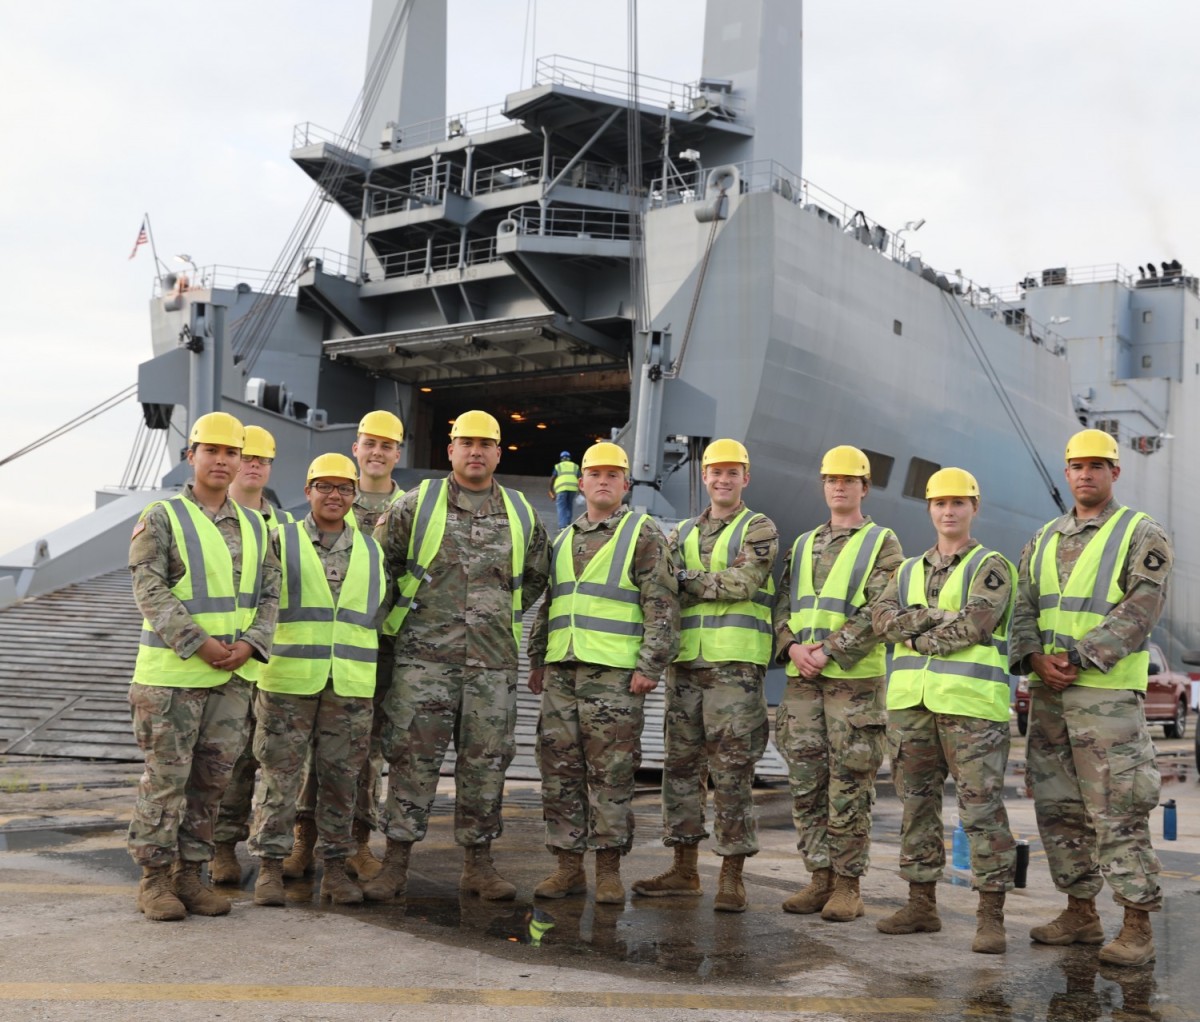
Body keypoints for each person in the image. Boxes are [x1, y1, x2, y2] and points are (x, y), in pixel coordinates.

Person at [365, 409, 549, 904]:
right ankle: (395, 863)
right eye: (465, 443)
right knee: (411, 761)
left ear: (498, 452)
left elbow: (534, 577)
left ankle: (479, 865)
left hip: (491, 666)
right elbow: (380, 566)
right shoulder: (415, 504)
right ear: (450, 450)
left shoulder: (521, 513)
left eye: (485, 444)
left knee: (486, 764)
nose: (475, 451)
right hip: (422, 662)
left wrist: (491, 618)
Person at [1010, 428, 1172, 968]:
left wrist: (1076, 659)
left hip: (1103, 698)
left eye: (1097, 466)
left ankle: (1136, 924)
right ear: (1066, 472)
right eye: (1077, 466)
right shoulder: (1043, 539)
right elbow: (1023, 608)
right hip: (1049, 696)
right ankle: (1080, 912)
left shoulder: (1141, 533)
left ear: (1115, 473)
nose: (1085, 474)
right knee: (1059, 810)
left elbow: (1141, 608)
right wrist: (1033, 658)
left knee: (1118, 810)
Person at [126, 411, 279, 921]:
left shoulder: (259, 526)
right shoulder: (163, 516)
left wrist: (252, 644)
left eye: (231, 452)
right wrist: (200, 643)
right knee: (165, 782)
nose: (222, 460)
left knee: (211, 783)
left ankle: (190, 877)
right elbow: (148, 587)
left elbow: (271, 594)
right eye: (211, 451)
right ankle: (153, 881)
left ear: (241, 460)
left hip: (231, 678)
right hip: (171, 677)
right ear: (191, 456)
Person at [871, 467, 1017, 953]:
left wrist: (918, 631)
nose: (949, 511)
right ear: (930, 509)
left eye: (958, 503)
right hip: (912, 706)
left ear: (974, 507)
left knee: (981, 812)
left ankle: (990, 916)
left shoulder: (992, 566)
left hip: (973, 709)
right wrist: (934, 619)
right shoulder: (907, 569)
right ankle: (920, 904)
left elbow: (975, 624)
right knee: (916, 807)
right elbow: (882, 621)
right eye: (940, 503)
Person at [527, 442, 679, 904]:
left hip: (614, 677)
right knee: (559, 771)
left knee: (611, 774)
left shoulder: (642, 532)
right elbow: (551, 604)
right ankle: (568, 867)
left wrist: (650, 665)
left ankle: (608, 869)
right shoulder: (564, 538)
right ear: (582, 483)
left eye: (614, 475)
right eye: (596, 474)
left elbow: (662, 603)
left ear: (626, 484)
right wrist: (537, 659)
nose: (604, 481)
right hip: (561, 674)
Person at [632, 438, 776, 912]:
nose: (723, 479)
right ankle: (684, 869)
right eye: (716, 472)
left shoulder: (758, 528)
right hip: (686, 668)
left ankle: (732, 875)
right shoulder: (684, 533)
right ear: (704, 477)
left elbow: (742, 583)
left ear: (745, 479)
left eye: (732, 472)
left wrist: (687, 580)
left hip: (734, 671)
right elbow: (662, 586)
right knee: (680, 770)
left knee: (731, 772)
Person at [249, 453, 389, 907]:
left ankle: (334, 869)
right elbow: (260, 602)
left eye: (344, 488)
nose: (335, 495)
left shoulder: (371, 549)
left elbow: (377, 611)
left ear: (354, 495)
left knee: (341, 781)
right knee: (279, 779)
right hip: (288, 681)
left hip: (348, 685)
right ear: (308, 491)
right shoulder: (281, 539)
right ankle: (270, 869)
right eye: (325, 486)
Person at [772, 445, 902, 922]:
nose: (839, 486)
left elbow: (879, 608)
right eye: (832, 479)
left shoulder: (882, 543)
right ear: (823, 486)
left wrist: (827, 650)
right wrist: (792, 648)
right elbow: (781, 605)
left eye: (849, 480)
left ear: (864, 488)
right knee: (806, 783)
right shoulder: (803, 544)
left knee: (850, 784)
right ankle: (818, 878)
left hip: (853, 683)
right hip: (802, 682)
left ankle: (848, 885)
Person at [285, 409, 406, 883]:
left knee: (364, 753)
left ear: (399, 453)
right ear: (355, 448)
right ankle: (303, 840)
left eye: (386, 445)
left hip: (374, 653)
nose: (376, 452)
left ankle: (356, 842)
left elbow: (402, 583)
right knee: (310, 753)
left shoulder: (408, 510)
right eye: (368, 442)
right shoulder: (334, 499)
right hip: (316, 652)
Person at [211, 424, 294, 885]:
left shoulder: (282, 527)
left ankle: (270, 852)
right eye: (250, 458)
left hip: (269, 661)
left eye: (264, 460)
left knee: (271, 762)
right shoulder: (208, 522)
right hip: (219, 659)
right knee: (231, 762)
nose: (256, 466)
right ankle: (222, 848)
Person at [549, 450, 580, 530]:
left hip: (561, 489)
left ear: (561, 458)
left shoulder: (558, 466)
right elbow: (580, 478)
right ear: (569, 458)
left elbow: (552, 478)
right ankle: (568, 525)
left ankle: (562, 526)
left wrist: (550, 490)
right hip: (573, 489)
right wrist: (581, 491)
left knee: (561, 507)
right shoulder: (575, 466)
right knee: (569, 506)